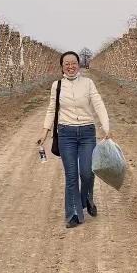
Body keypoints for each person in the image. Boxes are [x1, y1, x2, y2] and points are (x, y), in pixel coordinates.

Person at [37, 51, 111, 228]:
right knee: (71, 176)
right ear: (62, 67)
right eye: (66, 64)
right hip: (66, 134)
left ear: (79, 64)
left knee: (87, 173)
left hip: (87, 133)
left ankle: (87, 199)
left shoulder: (88, 83)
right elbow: (51, 109)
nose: (70, 66)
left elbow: (98, 104)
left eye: (73, 63)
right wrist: (44, 132)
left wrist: (107, 128)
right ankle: (73, 214)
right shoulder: (57, 85)